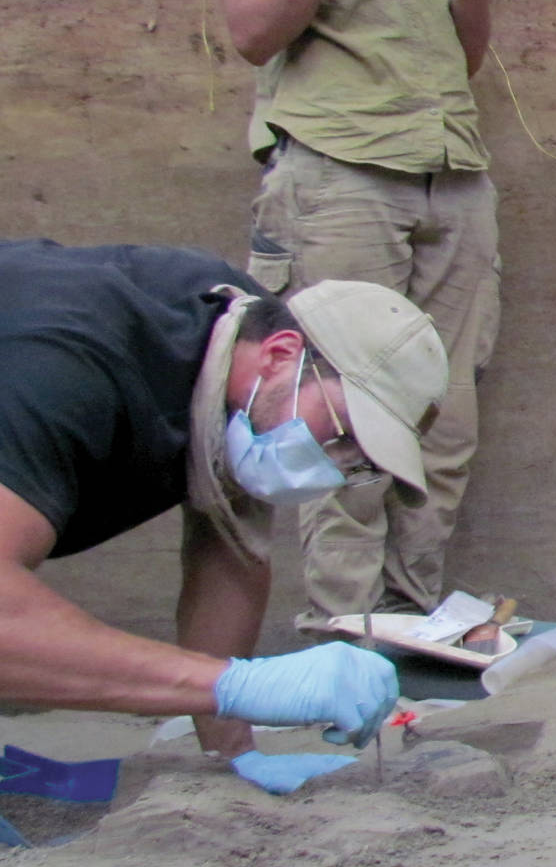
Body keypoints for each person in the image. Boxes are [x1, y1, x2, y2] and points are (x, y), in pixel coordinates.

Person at [188, 0, 512, 633]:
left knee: (444, 423)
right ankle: (343, 638)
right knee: (341, 421)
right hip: (335, 179)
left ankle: (410, 632)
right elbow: (251, 31)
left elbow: (458, 56)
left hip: (450, 175)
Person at [0, 239, 448, 793]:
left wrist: (231, 757)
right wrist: (237, 686)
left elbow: (230, 547)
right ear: (281, 355)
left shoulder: (238, 351)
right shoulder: (66, 367)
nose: (332, 467)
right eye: (342, 434)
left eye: (358, 463)